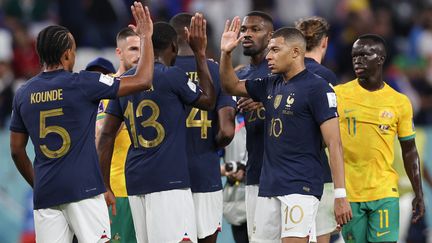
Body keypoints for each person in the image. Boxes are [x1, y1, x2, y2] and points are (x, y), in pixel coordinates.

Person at [9, 2, 154, 242]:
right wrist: (146, 37)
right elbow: (144, 79)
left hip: (46, 193)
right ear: (67, 54)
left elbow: (16, 150)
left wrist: (39, 182)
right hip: (84, 190)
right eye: (74, 49)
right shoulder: (83, 83)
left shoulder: (24, 93)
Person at [219, 18, 352, 243]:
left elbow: (334, 144)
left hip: (301, 186)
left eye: (275, 50)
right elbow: (230, 86)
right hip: (268, 185)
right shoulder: (270, 84)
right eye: (269, 50)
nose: (269, 56)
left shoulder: (318, 87)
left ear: (295, 52)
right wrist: (226, 53)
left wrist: (340, 195)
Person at [97, 15, 216, 243]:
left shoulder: (125, 80)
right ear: (174, 46)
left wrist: (105, 185)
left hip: (135, 180)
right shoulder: (173, 76)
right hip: (169, 181)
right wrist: (200, 53)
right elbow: (209, 101)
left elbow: (106, 135)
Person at [335, 34, 425, 243]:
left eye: (365, 55)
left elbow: (410, 150)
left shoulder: (399, 102)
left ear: (381, 58)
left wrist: (418, 193)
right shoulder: (338, 95)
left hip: (384, 191)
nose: (358, 60)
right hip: (350, 194)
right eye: (354, 55)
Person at [170, 12, 236, 243]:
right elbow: (228, 131)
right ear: (199, 36)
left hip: (167, 176)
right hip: (205, 172)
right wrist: (210, 145)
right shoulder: (217, 71)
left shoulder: (159, 73)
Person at [295, 16, 339, 243]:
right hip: (320, 172)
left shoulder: (282, 75)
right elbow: (332, 135)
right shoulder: (327, 78)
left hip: (288, 174)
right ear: (325, 42)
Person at [95, 27, 140, 243]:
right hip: (117, 188)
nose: (138, 54)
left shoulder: (152, 87)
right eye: (132, 49)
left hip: (148, 186)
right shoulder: (106, 88)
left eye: (142, 49)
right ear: (119, 53)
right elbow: (99, 134)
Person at [234, 11, 273, 240]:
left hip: (287, 175)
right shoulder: (241, 76)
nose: (247, 34)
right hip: (255, 172)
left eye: (255, 29)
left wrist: (263, 99)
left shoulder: (283, 72)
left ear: (271, 36)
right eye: (244, 30)